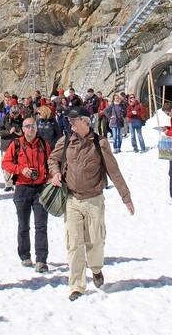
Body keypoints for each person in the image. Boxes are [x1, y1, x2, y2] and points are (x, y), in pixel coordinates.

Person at [48, 107, 135, 301]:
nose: (70, 123)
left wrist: (125, 196)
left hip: (94, 199)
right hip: (72, 200)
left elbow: (114, 171)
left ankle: (96, 268)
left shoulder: (100, 143)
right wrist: (55, 172)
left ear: (86, 121)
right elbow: (53, 159)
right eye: (69, 120)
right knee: (74, 243)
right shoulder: (65, 142)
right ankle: (77, 285)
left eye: (74, 120)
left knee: (95, 240)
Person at [1, 114, 51, 273]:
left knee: (41, 225)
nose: (31, 128)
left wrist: (50, 178)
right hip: (22, 187)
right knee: (23, 225)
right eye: (28, 126)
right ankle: (24, 255)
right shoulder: (16, 144)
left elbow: (50, 162)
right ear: (22, 129)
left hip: (40, 188)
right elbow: (6, 163)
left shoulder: (43, 143)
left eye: (33, 126)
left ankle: (41, 259)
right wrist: (21, 170)